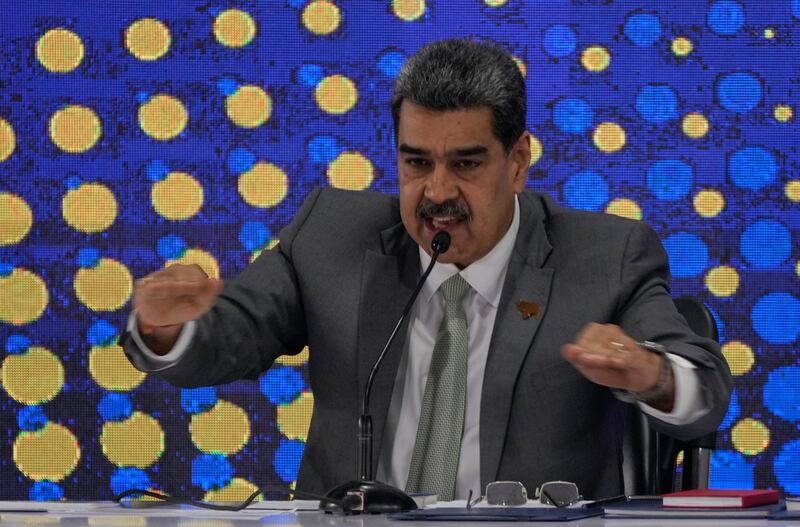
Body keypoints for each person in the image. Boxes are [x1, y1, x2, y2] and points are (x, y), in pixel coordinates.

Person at [120, 38, 732, 501]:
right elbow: (231, 334)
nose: (436, 191)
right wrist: (167, 331)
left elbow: (704, 390)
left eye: (466, 164)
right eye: (416, 162)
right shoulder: (331, 235)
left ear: (517, 162)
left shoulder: (604, 257)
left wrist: (651, 372)